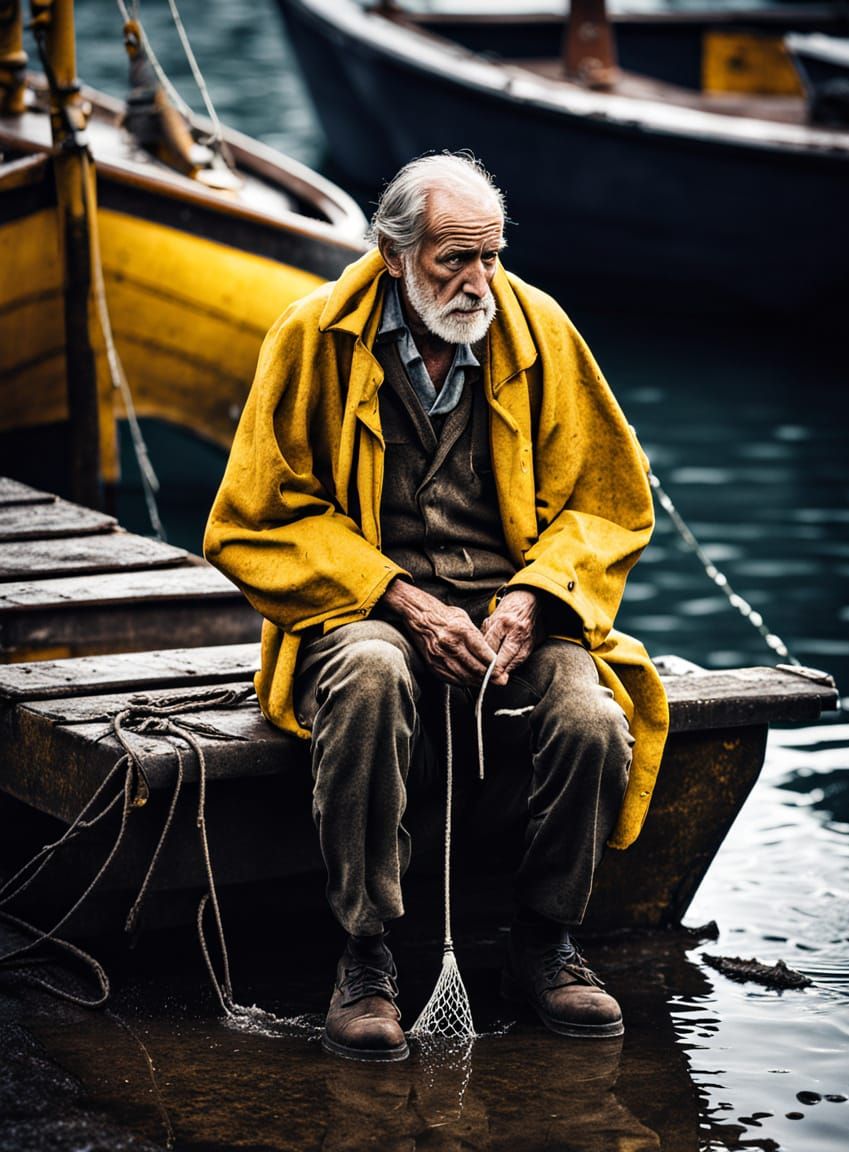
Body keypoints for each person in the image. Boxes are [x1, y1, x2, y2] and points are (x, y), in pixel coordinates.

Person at [204, 153, 669, 1063]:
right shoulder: (311, 337)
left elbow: (610, 503)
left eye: (491, 256)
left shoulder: (540, 330)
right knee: (372, 676)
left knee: (592, 720)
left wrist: (534, 596)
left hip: (512, 606)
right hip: (366, 603)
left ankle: (544, 940)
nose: (478, 281)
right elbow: (254, 521)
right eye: (454, 259)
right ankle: (366, 954)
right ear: (393, 255)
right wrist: (402, 600)